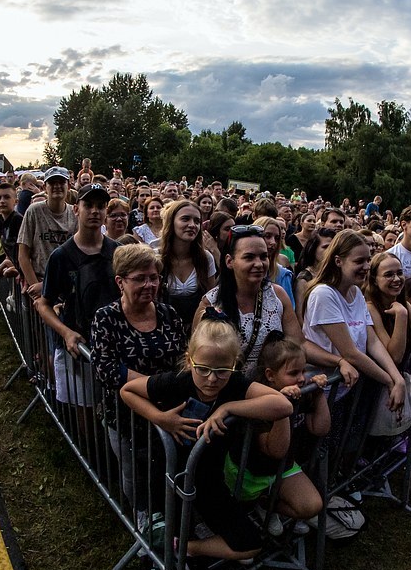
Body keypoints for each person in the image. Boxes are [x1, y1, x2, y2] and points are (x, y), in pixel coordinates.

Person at [120, 315, 294, 568]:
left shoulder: (235, 384)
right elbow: (127, 390)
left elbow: (283, 405)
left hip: (209, 480)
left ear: (234, 364)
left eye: (222, 371)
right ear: (190, 360)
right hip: (168, 477)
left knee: (250, 545)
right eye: (202, 369)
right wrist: (161, 419)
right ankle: (172, 553)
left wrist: (228, 408)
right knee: (173, 535)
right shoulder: (177, 381)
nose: (211, 379)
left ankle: (187, 548)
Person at [91, 244, 185, 522]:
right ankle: (142, 515)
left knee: (169, 466)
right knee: (134, 471)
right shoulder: (106, 318)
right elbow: (106, 369)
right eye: (140, 278)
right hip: (126, 416)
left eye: (154, 277)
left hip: (169, 410)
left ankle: (172, 512)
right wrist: (155, 385)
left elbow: (183, 356)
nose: (149, 285)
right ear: (120, 282)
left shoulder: (169, 314)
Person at [301, 229, 407, 410]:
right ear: (338, 261)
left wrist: (398, 379)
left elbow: (372, 341)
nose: (366, 266)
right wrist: (389, 381)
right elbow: (350, 353)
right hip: (322, 393)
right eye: (359, 261)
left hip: (345, 389)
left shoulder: (356, 292)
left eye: (368, 260)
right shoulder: (324, 294)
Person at [37, 183, 119, 406]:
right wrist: (66, 333)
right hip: (79, 347)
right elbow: (44, 304)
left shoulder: (117, 251)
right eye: (88, 205)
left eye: (100, 206)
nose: (95, 211)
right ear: (76, 209)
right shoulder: (61, 256)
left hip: (114, 345)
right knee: (84, 407)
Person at [194, 224, 303, 378]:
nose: (259, 264)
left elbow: (298, 345)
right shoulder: (211, 303)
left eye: (263, 256)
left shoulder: (278, 295)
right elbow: (198, 360)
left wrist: (336, 361)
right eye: (249, 257)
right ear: (229, 261)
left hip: (271, 387)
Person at [248, 334, 326, 535]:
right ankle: (252, 508)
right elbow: (276, 450)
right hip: (251, 474)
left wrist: (318, 394)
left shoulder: (300, 392)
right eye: (294, 373)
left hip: (283, 467)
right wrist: (281, 406)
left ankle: (267, 505)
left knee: (312, 506)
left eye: (303, 371)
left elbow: (320, 428)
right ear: (270, 375)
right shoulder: (258, 403)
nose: (301, 379)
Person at [362, 252, 411, 365]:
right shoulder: (370, 309)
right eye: (388, 275)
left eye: (400, 273)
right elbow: (395, 357)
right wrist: (401, 315)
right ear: (374, 280)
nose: (396, 279)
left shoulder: (406, 305)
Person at [17, 166, 76, 300]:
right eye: (52, 183)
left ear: (68, 186)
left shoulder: (75, 213)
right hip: (39, 280)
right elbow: (23, 254)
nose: (57, 186)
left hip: (67, 284)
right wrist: (37, 289)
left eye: (61, 182)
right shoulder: (34, 211)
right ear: (44, 187)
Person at [158, 200, 215, 332]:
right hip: (163, 329)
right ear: (171, 222)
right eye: (185, 219)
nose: (192, 225)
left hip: (196, 330)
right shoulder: (157, 258)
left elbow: (211, 300)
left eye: (197, 221)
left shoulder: (206, 259)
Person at [294, 228, 335, 323]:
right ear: (313, 249)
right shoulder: (304, 279)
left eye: (333, 247)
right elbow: (301, 316)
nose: (330, 251)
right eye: (325, 247)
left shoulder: (336, 274)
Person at [254, 217, 295, 307]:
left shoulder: (283, 275)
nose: (273, 242)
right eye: (267, 236)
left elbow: (289, 309)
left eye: (277, 238)